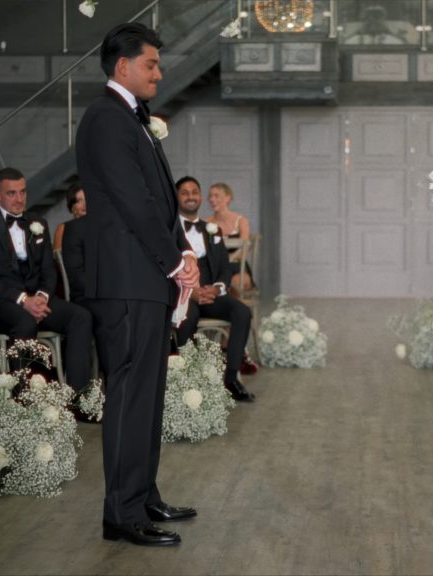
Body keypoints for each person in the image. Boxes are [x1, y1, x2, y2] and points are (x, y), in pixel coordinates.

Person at [75, 22, 201, 548]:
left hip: (145, 278)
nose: (158, 73)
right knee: (129, 398)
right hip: (126, 281)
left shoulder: (133, 119)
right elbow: (133, 202)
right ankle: (121, 515)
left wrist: (185, 252)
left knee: (148, 396)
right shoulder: (106, 119)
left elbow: (162, 202)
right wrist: (174, 261)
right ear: (123, 65)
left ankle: (143, 495)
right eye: (151, 64)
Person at [0, 167, 93, 391]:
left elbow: (49, 270)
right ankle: (22, 399)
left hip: (37, 299)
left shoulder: (38, 223)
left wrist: (42, 296)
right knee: (25, 321)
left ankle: (76, 396)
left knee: (80, 316)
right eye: (11, 193)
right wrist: (23, 300)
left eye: (23, 192)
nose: (19, 199)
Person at [173, 177, 256, 402]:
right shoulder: (168, 230)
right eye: (184, 192)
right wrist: (192, 292)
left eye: (195, 192)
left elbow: (224, 268)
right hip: (183, 296)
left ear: (200, 197)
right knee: (187, 318)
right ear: (176, 197)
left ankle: (231, 379)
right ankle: (184, 384)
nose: (191, 196)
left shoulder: (212, 230)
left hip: (210, 293)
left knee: (242, 312)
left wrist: (217, 289)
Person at [204, 182, 254, 293]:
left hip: (236, 266)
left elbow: (244, 249)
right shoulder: (206, 222)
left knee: (237, 282)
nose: (212, 199)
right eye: (210, 196)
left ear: (228, 198)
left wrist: (227, 259)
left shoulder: (241, 221)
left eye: (216, 196)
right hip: (215, 267)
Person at [53, 183, 86, 250]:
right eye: (79, 201)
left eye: (86, 199)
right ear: (72, 207)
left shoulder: (98, 224)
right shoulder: (63, 229)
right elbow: (57, 255)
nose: (84, 204)